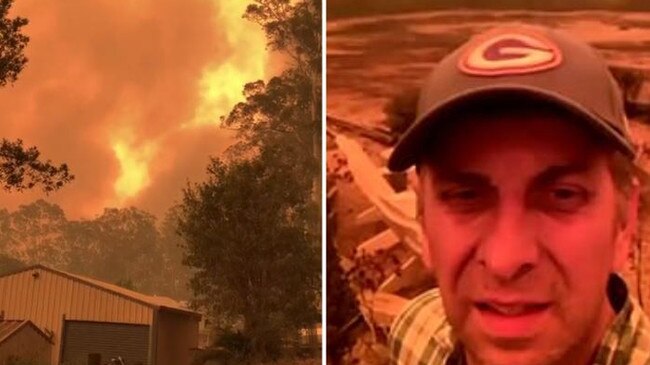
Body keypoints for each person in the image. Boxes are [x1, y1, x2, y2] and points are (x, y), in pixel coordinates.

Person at [386, 25, 650, 365]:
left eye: (563, 195)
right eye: (465, 196)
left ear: (624, 226)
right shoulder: (417, 336)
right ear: (423, 223)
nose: (505, 260)